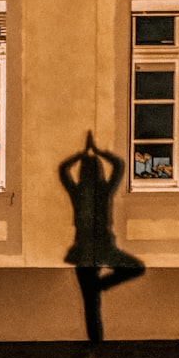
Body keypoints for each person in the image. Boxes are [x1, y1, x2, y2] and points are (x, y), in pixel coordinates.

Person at [59, 132, 145, 342]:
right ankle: (101, 289)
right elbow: (118, 166)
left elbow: (63, 170)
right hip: (101, 247)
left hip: (87, 251)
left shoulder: (78, 190)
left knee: (90, 300)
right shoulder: (104, 189)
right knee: (134, 268)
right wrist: (98, 152)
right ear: (99, 172)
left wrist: (80, 154)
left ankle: (95, 341)